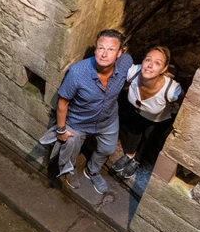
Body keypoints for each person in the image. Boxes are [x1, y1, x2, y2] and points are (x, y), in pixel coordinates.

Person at [42, 29, 133, 195]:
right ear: (95, 49)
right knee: (69, 153)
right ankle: (69, 172)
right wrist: (61, 130)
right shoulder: (77, 72)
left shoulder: (126, 62)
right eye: (100, 48)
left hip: (108, 119)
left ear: (119, 53)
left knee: (107, 149)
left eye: (111, 49)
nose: (104, 54)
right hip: (78, 123)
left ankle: (92, 171)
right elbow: (63, 102)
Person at [110, 46, 182, 180]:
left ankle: (137, 160)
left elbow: (184, 100)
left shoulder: (171, 90)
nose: (150, 65)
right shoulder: (134, 72)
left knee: (150, 139)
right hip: (138, 112)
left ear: (164, 69)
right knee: (134, 131)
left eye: (157, 63)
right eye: (147, 60)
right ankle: (129, 155)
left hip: (158, 119)